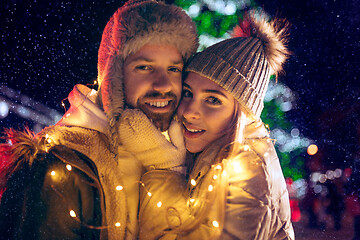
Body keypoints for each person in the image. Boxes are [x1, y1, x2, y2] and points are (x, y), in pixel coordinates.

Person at [0, 0, 198, 239]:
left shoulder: (170, 156)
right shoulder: (62, 165)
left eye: (174, 69)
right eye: (145, 67)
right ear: (113, 76)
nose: (164, 84)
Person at [133, 13, 295, 239]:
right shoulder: (212, 152)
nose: (188, 111)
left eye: (213, 100)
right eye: (188, 93)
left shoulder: (247, 173)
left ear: (242, 113)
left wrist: (164, 172)